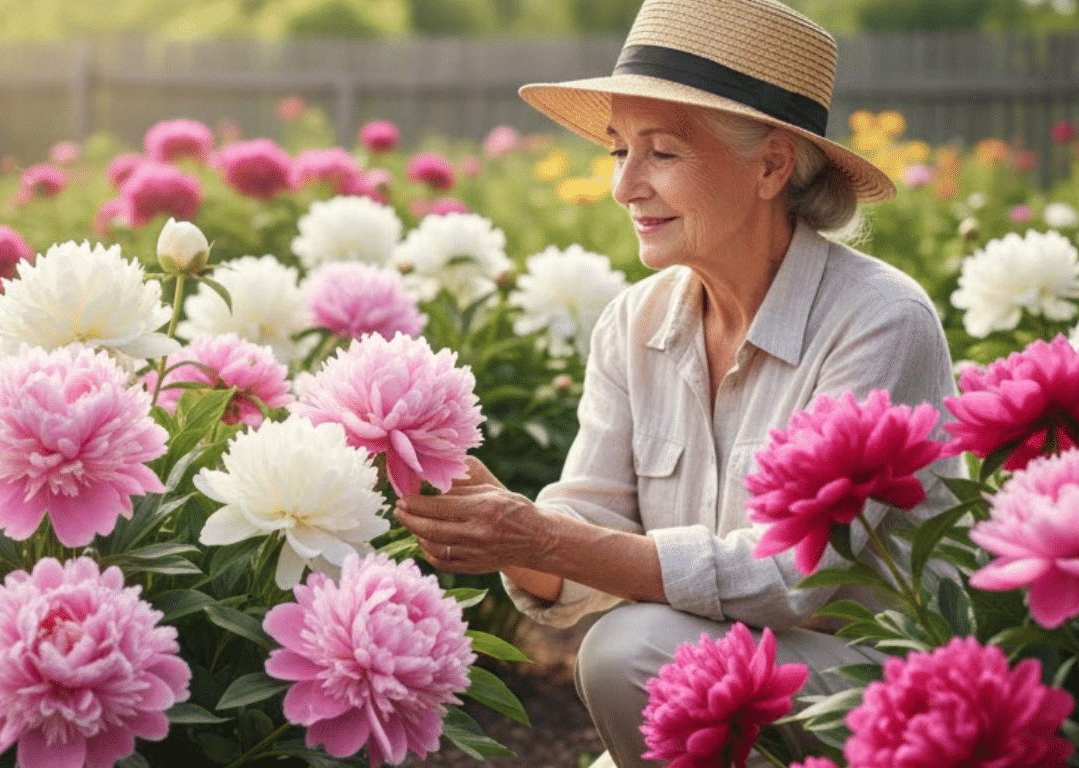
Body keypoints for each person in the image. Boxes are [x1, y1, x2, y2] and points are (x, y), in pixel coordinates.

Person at [394, 0, 963, 765]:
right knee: (644, 661)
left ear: (771, 165)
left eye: (660, 153)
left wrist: (543, 535)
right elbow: (593, 525)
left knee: (628, 650)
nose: (625, 186)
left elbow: (798, 579)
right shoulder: (633, 321)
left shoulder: (881, 320)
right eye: (617, 151)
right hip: (725, 676)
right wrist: (494, 524)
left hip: (882, 692)